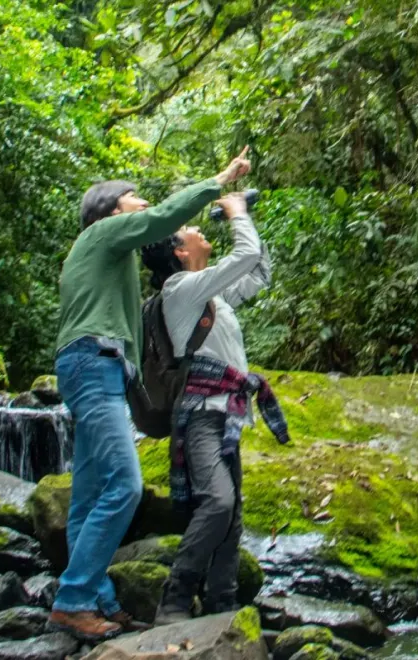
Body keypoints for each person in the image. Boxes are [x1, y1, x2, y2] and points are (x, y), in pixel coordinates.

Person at [47, 148, 252, 642]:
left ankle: (97, 598)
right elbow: (162, 218)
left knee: (88, 496)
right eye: (133, 197)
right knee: (125, 485)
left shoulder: (103, 254)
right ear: (111, 210)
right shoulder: (102, 234)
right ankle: (73, 600)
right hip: (94, 362)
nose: (142, 203)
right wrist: (220, 179)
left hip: (92, 365)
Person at [140, 193, 290, 624]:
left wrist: (245, 217)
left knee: (233, 512)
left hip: (226, 413)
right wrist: (236, 212)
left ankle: (222, 601)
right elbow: (244, 256)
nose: (197, 228)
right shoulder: (180, 290)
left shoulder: (209, 294)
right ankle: (174, 599)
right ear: (179, 251)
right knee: (219, 502)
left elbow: (258, 272)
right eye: (188, 230)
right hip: (202, 413)